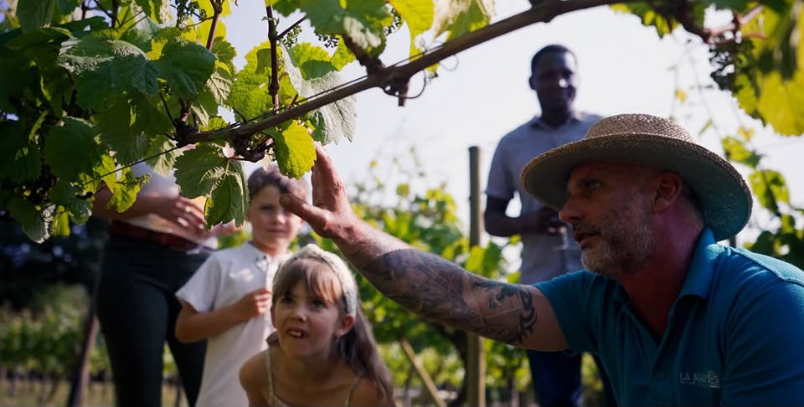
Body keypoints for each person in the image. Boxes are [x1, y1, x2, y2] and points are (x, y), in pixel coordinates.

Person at [279, 115, 804, 406]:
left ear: (664, 191)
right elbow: (468, 300)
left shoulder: (767, 304)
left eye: (591, 187)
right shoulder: (601, 300)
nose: (566, 211)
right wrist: (350, 232)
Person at [484, 44, 613, 407]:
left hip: (610, 284)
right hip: (544, 293)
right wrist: (530, 221)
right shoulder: (511, 145)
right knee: (556, 399)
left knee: (628, 392)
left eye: (566, 74)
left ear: (577, 80)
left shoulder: (601, 132)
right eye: (547, 75)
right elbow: (491, 219)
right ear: (532, 82)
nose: (558, 82)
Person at [92, 162, 233, 407]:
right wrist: (156, 206)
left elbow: (237, 216)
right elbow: (94, 200)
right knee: (138, 389)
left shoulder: (227, 143)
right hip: (134, 261)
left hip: (200, 268)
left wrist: (216, 224)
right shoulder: (131, 133)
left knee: (211, 388)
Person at [174, 165, 309, 407]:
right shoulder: (222, 263)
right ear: (246, 211)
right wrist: (237, 312)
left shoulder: (306, 272)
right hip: (222, 399)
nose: (278, 218)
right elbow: (184, 330)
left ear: (302, 219)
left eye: (288, 211)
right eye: (267, 208)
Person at [239, 244, 393, 407]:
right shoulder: (258, 374)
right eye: (288, 300)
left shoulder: (365, 392)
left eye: (317, 303)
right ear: (273, 315)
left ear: (343, 324)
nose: (298, 314)